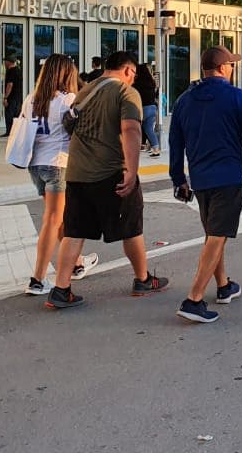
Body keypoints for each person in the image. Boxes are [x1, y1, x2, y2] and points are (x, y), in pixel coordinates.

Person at [47, 51, 168, 310]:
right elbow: (132, 129)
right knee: (131, 227)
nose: (133, 79)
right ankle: (143, 279)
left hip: (77, 173)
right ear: (127, 70)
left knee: (74, 231)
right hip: (110, 172)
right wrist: (132, 171)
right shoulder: (126, 93)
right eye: (133, 74)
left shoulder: (85, 91)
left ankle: (61, 289)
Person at [170, 45, 242, 324]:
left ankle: (224, 285)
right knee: (216, 235)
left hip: (200, 178)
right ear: (224, 68)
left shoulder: (184, 100)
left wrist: (178, 178)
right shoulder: (236, 96)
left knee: (215, 232)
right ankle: (193, 299)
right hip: (228, 176)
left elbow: (175, 143)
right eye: (232, 65)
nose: (234, 69)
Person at [23, 54, 98, 296]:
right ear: (67, 74)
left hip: (36, 164)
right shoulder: (68, 100)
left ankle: (75, 263)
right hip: (59, 163)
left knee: (60, 217)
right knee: (53, 219)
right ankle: (38, 277)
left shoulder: (32, 99)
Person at [132, 61, 161, 157]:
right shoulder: (151, 83)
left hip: (143, 108)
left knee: (134, 128)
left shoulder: (137, 84)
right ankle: (156, 150)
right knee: (149, 129)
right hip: (152, 108)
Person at [0, 57, 22, 138]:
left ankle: (9, 132)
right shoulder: (19, 71)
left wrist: (6, 97)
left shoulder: (11, 72)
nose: (4, 64)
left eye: (5, 62)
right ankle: (16, 132)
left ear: (8, 62)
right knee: (16, 115)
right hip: (18, 97)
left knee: (9, 115)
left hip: (12, 97)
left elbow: (10, 85)